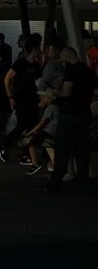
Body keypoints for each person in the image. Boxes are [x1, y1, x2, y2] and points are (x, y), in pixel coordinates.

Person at [44, 47, 94, 192]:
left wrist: (53, 91)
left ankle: (55, 182)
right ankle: (82, 178)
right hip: (84, 113)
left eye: (63, 59)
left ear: (67, 57)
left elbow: (66, 92)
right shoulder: (88, 71)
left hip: (70, 114)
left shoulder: (72, 71)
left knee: (61, 147)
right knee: (82, 147)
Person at [0, 42, 42, 164]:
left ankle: (25, 154)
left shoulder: (36, 65)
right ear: (33, 50)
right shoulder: (20, 63)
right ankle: (5, 145)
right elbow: (7, 78)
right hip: (21, 98)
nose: (40, 51)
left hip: (33, 99)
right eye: (38, 49)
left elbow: (40, 79)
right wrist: (10, 96)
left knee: (31, 127)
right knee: (22, 125)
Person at [22, 91, 59, 176]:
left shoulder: (50, 108)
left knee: (29, 141)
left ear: (48, 98)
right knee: (47, 145)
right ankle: (51, 165)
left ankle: (35, 164)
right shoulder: (55, 107)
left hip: (49, 131)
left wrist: (29, 133)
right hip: (51, 131)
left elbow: (41, 123)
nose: (41, 99)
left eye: (43, 97)